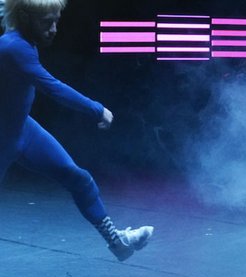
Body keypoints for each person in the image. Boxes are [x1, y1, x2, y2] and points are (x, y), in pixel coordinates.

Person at [0, 0, 153, 261]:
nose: (53, 29)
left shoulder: (20, 38)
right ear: (25, 18)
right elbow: (53, 87)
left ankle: (117, 243)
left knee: (78, 179)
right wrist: (96, 109)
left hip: (21, 129)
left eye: (56, 21)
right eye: (47, 22)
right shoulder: (13, 48)